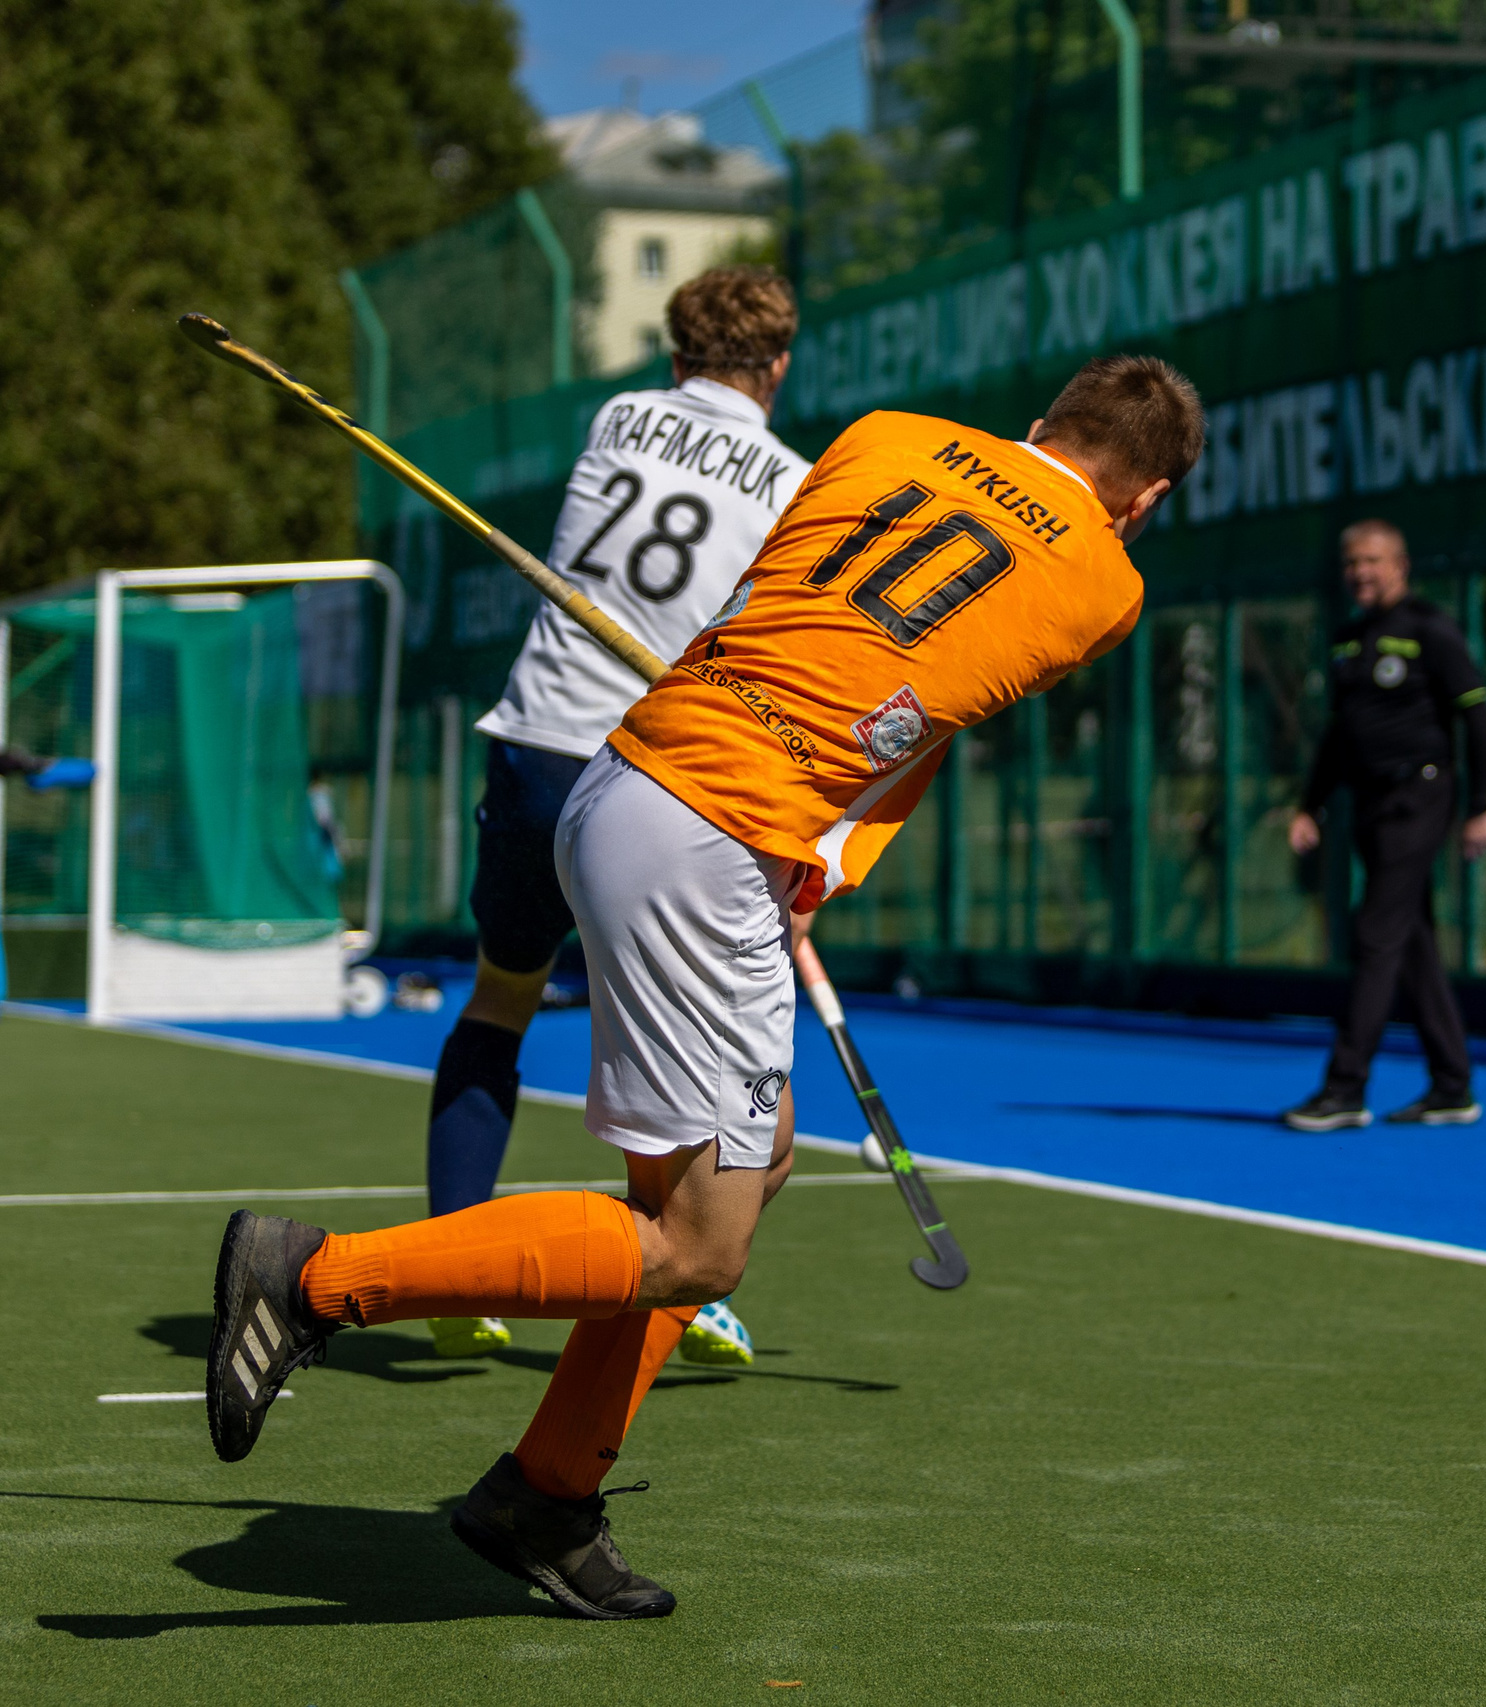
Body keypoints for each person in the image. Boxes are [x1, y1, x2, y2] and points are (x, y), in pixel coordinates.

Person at [204, 353, 1203, 1622]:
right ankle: (315, 1280)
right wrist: (821, 859)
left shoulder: (886, 434)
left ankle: (547, 1496)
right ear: (1145, 497)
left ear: (1042, 423)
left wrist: (799, 850)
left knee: (745, 1164)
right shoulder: (1105, 584)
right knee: (699, 1248)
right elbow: (934, 711)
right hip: (714, 832)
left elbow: (793, 608)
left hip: (626, 782)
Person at [420, 266, 811, 1366]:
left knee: (501, 998)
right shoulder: (795, 479)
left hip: (541, 741)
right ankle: (683, 1278)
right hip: (658, 775)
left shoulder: (620, 415)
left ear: (674, 351)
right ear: (777, 364)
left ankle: (458, 1266)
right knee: (686, 1039)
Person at [1281, 519, 1486, 1132]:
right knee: (1413, 943)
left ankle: (1345, 1088)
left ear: (1400, 565)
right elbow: (1339, 737)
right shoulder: (1348, 640)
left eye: (1372, 561)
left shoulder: (1430, 628)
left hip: (1421, 795)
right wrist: (1310, 804)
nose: (1361, 573)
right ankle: (1452, 1086)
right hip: (1371, 804)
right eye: (1352, 563)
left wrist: (1481, 804)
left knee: (1375, 933)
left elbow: (1476, 716)